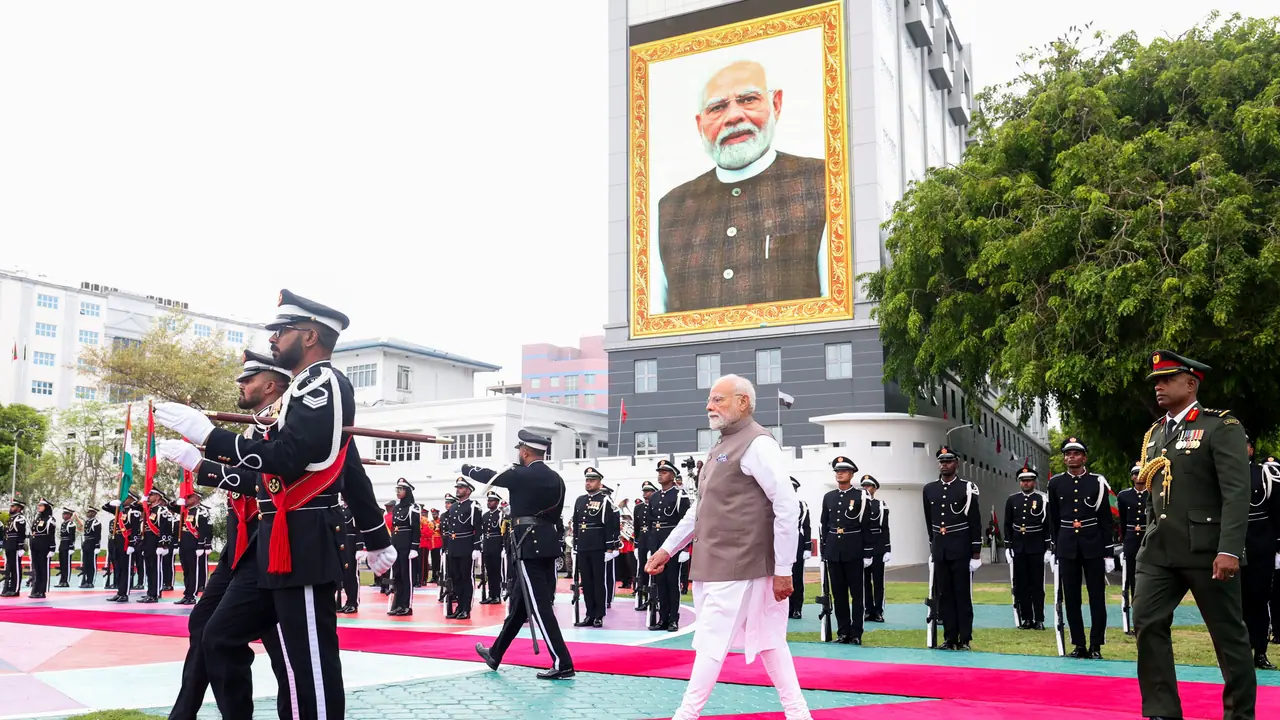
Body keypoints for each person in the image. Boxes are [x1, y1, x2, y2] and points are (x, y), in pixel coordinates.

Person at [154, 290, 395, 720]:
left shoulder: (324, 384)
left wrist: (212, 440)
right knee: (220, 635)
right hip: (276, 541)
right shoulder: (300, 391)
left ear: (308, 335)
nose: (273, 339)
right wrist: (205, 461)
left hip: (303, 539)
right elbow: (270, 476)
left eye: (281, 331)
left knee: (309, 666)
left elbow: (294, 459)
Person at [645, 374, 810, 720]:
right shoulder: (720, 446)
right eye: (710, 400)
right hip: (719, 563)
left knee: (711, 642)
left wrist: (784, 570)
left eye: (718, 400)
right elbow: (700, 508)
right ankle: (799, 714)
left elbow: (786, 506)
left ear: (743, 402)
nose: (709, 406)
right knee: (770, 642)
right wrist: (667, 549)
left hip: (741, 565)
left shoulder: (758, 444)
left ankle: (685, 715)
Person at [165, 349, 292, 720]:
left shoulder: (285, 426)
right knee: (204, 626)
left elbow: (268, 482)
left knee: (286, 655)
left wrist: (202, 465)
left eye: (248, 380)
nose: (241, 385)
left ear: (271, 386)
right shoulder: (257, 427)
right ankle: (184, 713)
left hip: (274, 548)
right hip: (240, 547)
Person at [652, 61, 828, 315]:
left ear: (775, 105)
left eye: (747, 99)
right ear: (700, 123)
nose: (733, 116)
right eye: (717, 107)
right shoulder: (670, 208)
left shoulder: (822, 181)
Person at [1135, 350, 1254, 720]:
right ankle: (1162, 711)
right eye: (1156, 381)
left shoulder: (1221, 426)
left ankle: (1239, 715)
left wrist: (1230, 549)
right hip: (1159, 549)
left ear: (1191, 383)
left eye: (1166, 379)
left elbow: (1237, 492)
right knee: (1146, 621)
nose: (1159, 386)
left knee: (1228, 638)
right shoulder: (1155, 434)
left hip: (1208, 549)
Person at [469, 429, 576, 680]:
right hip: (547, 544)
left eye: (520, 450)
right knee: (520, 604)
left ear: (525, 452)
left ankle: (563, 662)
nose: (518, 454)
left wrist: (466, 468)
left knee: (539, 606)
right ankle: (496, 653)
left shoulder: (521, 475)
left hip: (529, 545)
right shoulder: (557, 478)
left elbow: (490, 476)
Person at [1047, 437, 1113, 659]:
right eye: (1067, 453)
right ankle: (1079, 644)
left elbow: (1105, 519)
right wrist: (1053, 547)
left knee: (1097, 596)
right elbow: (1053, 519)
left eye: (1076, 453)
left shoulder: (1098, 482)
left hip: (1093, 544)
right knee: (1071, 597)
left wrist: (1109, 551)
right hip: (1067, 545)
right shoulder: (1055, 483)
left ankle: (1096, 645)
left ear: (1084, 457)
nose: (1071, 457)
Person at [923, 446, 982, 651]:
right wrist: (933, 546)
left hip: (961, 548)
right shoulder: (929, 489)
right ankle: (949, 637)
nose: (944, 464)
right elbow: (929, 520)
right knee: (944, 595)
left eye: (948, 461)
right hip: (941, 549)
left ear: (957, 464)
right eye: (941, 461)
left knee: (962, 594)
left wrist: (976, 551)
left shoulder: (967, 487)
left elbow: (974, 520)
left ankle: (964, 638)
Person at [819, 457, 872, 644]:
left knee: (857, 594)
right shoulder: (829, 497)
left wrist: (867, 552)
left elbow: (867, 526)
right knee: (838, 593)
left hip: (854, 549)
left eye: (843, 471)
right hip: (834, 550)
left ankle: (856, 633)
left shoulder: (862, 496)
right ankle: (843, 632)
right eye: (837, 471)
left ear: (851, 474)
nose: (839, 474)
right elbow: (824, 524)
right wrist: (825, 549)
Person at [1243, 444, 1280, 670]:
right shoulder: (1221, 472)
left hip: (1260, 546)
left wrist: (1277, 547)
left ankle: (1260, 651)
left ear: (1251, 449)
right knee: (1233, 603)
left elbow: (1277, 511)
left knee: (1258, 600)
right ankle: (1238, 653)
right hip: (1232, 545)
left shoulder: (1264, 474)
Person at [1005, 463, 1049, 631]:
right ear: (1019, 482)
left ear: (1035, 482)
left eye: (1029, 480)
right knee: (1021, 585)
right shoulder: (1012, 500)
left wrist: (1048, 547)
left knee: (1037, 585)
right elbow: (1008, 524)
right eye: (1023, 481)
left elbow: (1047, 525)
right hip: (1019, 547)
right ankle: (1027, 618)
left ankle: (1039, 618)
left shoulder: (1042, 499)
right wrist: (1008, 546)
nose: (1026, 483)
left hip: (1036, 547)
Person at [572, 467, 618, 627]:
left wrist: (610, 547)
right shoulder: (580, 500)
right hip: (584, 546)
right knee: (587, 582)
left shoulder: (605, 500)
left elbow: (610, 525)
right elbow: (577, 523)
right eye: (587, 480)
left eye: (592, 480)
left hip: (598, 546)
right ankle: (589, 614)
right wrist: (575, 543)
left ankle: (599, 614)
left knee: (599, 581)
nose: (588, 483)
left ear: (599, 482)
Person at [650, 459, 693, 631]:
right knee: (660, 582)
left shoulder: (680, 495)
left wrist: (683, 549)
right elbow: (652, 523)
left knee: (671, 582)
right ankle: (663, 618)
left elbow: (686, 523)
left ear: (673, 475)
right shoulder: (654, 497)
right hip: (658, 544)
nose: (660, 474)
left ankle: (674, 618)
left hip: (673, 546)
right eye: (659, 472)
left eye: (665, 472)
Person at [1116, 460, 1149, 636]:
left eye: (1141, 473)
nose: (1138, 477)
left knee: (1145, 581)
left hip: (1147, 539)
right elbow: (1121, 520)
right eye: (1135, 474)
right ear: (1132, 477)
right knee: (1129, 580)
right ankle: (1129, 622)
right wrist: (1123, 541)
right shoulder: (1123, 496)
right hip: (1130, 540)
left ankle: (1143, 622)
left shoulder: (1151, 494)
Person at [443, 477, 483, 619]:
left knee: (466, 578)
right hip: (453, 547)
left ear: (468, 490)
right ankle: (459, 606)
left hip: (466, 547)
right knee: (456, 578)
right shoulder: (453, 507)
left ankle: (466, 608)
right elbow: (449, 529)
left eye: (461, 487)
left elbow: (478, 528)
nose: (458, 489)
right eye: (457, 487)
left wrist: (477, 547)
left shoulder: (474, 506)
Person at [388, 478, 421, 616]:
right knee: (397, 575)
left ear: (407, 491)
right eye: (397, 489)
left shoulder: (413, 508)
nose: (398, 492)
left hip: (407, 544)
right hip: (396, 543)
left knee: (407, 576)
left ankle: (407, 605)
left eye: (401, 489)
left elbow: (415, 529)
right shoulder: (396, 507)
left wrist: (414, 547)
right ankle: (398, 604)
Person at [861, 475, 891, 624]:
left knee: (878, 581)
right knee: (865, 582)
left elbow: (885, 528)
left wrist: (887, 549)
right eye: (864, 486)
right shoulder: (857, 504)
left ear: (875, 489)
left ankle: (878, 611)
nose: (866, 488)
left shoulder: (881, 505)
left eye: (869, 486)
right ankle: (868, 610)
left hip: (878, 546)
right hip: (862, 548)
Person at [103, 493, 143, 602]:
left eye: (126, 497)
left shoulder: (133, 512)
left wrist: (132, 544)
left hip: (126, 542)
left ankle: (125, 593)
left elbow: (135, 530)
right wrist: (111, 503)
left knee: (126, 569)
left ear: (132, 499)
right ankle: (119, 591)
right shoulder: (119, 511)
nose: (123, 499)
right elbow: (105, 507)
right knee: (118, 568)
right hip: (117, 541)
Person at [175, 491, 212, 605]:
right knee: (186, 570)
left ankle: (192, 595)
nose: (187, 499)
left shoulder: (202, 511)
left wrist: (203, 544)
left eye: (189, 497)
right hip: (184, 544)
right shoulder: (185, 511)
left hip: (194, 544)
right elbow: (171, 506)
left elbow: (206, 529)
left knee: (193, 570)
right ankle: (187, 593)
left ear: (196, 497)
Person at [136, 489, 171, 604]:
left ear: (158, 496)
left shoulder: (162, 511)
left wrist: (163, 544)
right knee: (149, 569)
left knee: (155, 569)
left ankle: (155, 594)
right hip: (148, 544)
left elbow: (165, 528)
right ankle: (150, 592)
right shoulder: (148, 510)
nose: (149, 497)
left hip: (156, 544)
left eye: (151, 495)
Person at [788, 477, 811, 620]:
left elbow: (806, 526)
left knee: (797, 577)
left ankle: (797, 608)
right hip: (781, 542)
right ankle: (786, 608)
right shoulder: (775, 503)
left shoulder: (802, 505)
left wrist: (807, 546)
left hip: (797, 542)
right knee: (782, 576)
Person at [633, 481, 657, 609]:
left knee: (653, 570)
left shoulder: (656, 506)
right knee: (641, 570)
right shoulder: (638, 508)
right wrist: (636, 545)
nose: (645, 493)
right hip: (642, 540)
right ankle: (642, 597)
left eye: (648, 491)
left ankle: (653, 598)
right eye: (644, 491)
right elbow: (636, 528)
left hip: (652, 540)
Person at [337, 495, 362, 614]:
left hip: (352, 543)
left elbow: (359, 529)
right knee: (345, 575)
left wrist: (360, 547)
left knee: (352, 574)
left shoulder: (354, 509)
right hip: (342, 544)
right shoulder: (340, 509)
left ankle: (354, 602)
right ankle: (347, 601)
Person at [480, 491, 505, 604]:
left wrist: (503, 547)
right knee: (489, 571)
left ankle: (497, 595)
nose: (489, 503)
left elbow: (503, 532)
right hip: (487, 546)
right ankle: (491, 595)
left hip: (497, 546)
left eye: (491, 501)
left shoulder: (500, 515)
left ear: (497, 502)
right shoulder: (485, 515)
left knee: (497, 571)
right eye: (488, 501)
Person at [28, 499, 56, 599]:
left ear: (46, 507)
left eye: (41, 505)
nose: (38, 507)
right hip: (35, 546)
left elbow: (51, 535)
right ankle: (35, 589)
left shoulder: (50, 520)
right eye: (38, 505)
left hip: (44, 546)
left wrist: (52, 548)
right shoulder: (38, 519)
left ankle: (42, 590)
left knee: (43, 569)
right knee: (37, 568)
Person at [2, 499, 28, 597]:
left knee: (16, 569)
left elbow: (21, 534)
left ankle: (15, 589)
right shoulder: (12, 519)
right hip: (10, 546)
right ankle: (9, 588)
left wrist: (21, 547)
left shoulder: (20, 519)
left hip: (16, 547)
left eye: (13, 507)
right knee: (10, 568)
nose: (11, 508)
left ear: (19, 508)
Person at [80, 507, 103, 588]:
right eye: (88, 512)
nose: (88, 513)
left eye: (90, 512)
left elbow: (98, 535)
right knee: (86, 563)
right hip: (86, 544)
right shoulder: (87, 522)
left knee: (92, 564)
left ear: (94, 513)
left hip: (92, 544)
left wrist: (97, 546)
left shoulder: (96, 522)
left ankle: (91, 582)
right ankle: (86, 581)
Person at [56, 507, 77, 588]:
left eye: (65, 514)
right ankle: (62, 580)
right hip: (62, 544)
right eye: (63, 514)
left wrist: (71, 547)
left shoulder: (71, 524)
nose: (63, 515)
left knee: (66, 564)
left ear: (70, 515)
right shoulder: (63, 523)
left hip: (68, 545)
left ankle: (66, 581)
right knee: (62, 564)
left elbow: (72, 537)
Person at [425, 508, 443, 585]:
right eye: (432, 514)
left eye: (435, 514)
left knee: (438, 561)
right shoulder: (430, 522)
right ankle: (433, 577)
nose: (433, 515)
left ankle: (438, 576)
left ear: (438, 514)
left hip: (438, 543)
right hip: (432, 544)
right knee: (433, 561)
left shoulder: (440, 521)